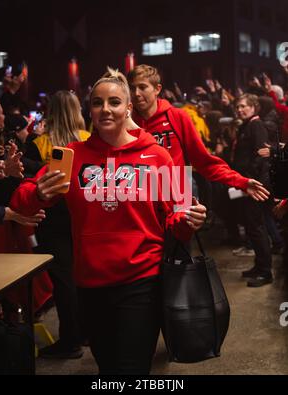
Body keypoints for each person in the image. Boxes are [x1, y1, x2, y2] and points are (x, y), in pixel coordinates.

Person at [11, 69, 206, 374]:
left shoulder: (157, 155)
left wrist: (191, 220)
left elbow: (177, 220)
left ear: (128, 108)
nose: (105, 109)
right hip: (90, 285)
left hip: (142, 282)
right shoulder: (71, 155)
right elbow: (20, 199)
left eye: (114, 102)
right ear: (90, 109)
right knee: (108, 369)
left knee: (131, 370)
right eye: (98, 102)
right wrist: (36, 192)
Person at [127, 65, 269, 201]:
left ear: (157, 89)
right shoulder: (125, 122)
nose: (137, 94)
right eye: (132, 88)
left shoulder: (177, 117)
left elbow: (204, 161)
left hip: (175, 194)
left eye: (143, 87)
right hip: (140, 196)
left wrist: (241, 182)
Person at [24, 91, 90, 359]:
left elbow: (30, 184)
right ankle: (85, 333)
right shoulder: (89, 140)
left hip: (52, 219)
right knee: (85, 276)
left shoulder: (38, 143)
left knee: (63, 282)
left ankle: (71, 340)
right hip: (84, 215)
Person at [233, 94, 273, 286]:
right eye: (238, 107)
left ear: (253, 107)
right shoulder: (246, 125)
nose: (240, 110)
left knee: (257, 228)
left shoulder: (256, 125)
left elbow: (261, 156)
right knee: (252, 227)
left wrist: (251, 182)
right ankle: (259, 266)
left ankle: (265, 272)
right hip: (246, 185)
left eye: (243, 106)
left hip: (254, 186)